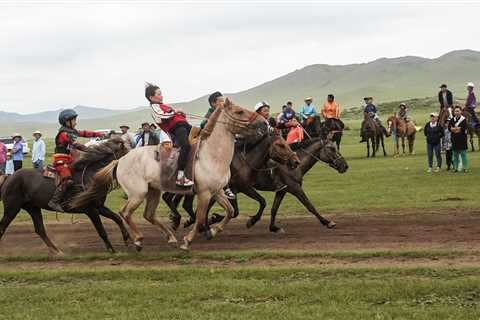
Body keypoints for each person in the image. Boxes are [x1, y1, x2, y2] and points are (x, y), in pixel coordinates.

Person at [48, 109, 104, 212]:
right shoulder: (63, 134)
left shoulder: (72, 131)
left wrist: (98, 134)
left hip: (70, 160)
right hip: (61, 161)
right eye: (73, 120)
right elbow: (75, 144)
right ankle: (54, 201)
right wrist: (90, 150)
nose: (75, 122)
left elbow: (85, 133)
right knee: (67, 179)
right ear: (67, 121)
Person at [146, 83, 193, 187]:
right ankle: (180, 177)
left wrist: (181, 114)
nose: (161, 96)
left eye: (161, 93)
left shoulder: (164, 106)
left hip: (185, 126)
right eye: (158, 94)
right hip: (176, 128)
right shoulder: (154, 107)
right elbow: (161, 115)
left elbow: (172, 114)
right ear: (151, 97)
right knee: (186, 146)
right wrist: (176, 111)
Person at [449, 106, 469, 173]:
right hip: (454, 139)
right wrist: (455, 129)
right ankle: (456, 168)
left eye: (458, 111)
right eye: (455, 111)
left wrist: (454, 129)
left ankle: (465, 168)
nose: (456, 112)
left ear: (461, 111)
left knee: (463, 154)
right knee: (455, 155)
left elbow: (463, 128)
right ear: (454, 112)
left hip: (462, 139)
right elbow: (450, 128)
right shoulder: (452, 120)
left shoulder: (464, 120)